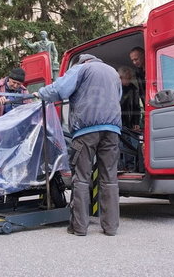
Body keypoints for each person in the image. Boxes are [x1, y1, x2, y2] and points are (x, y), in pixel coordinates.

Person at [34, 54, 122, 236]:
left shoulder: (82, 68)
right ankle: (111, 227)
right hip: (112, 130)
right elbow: (117, 97)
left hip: (86, 130)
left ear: (83, 61)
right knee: (110, 178)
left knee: (81, 178)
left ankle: (79, 227)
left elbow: (60, 89)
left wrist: (40, 93)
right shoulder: (113, 73)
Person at [117, 66, 141, 132]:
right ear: (120, 78)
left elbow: (136, 106)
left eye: (130, 78)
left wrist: (136, 122)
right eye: (128, 78)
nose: (129, 80)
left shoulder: (133, 89)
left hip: (129, 123)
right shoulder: (114, 88)